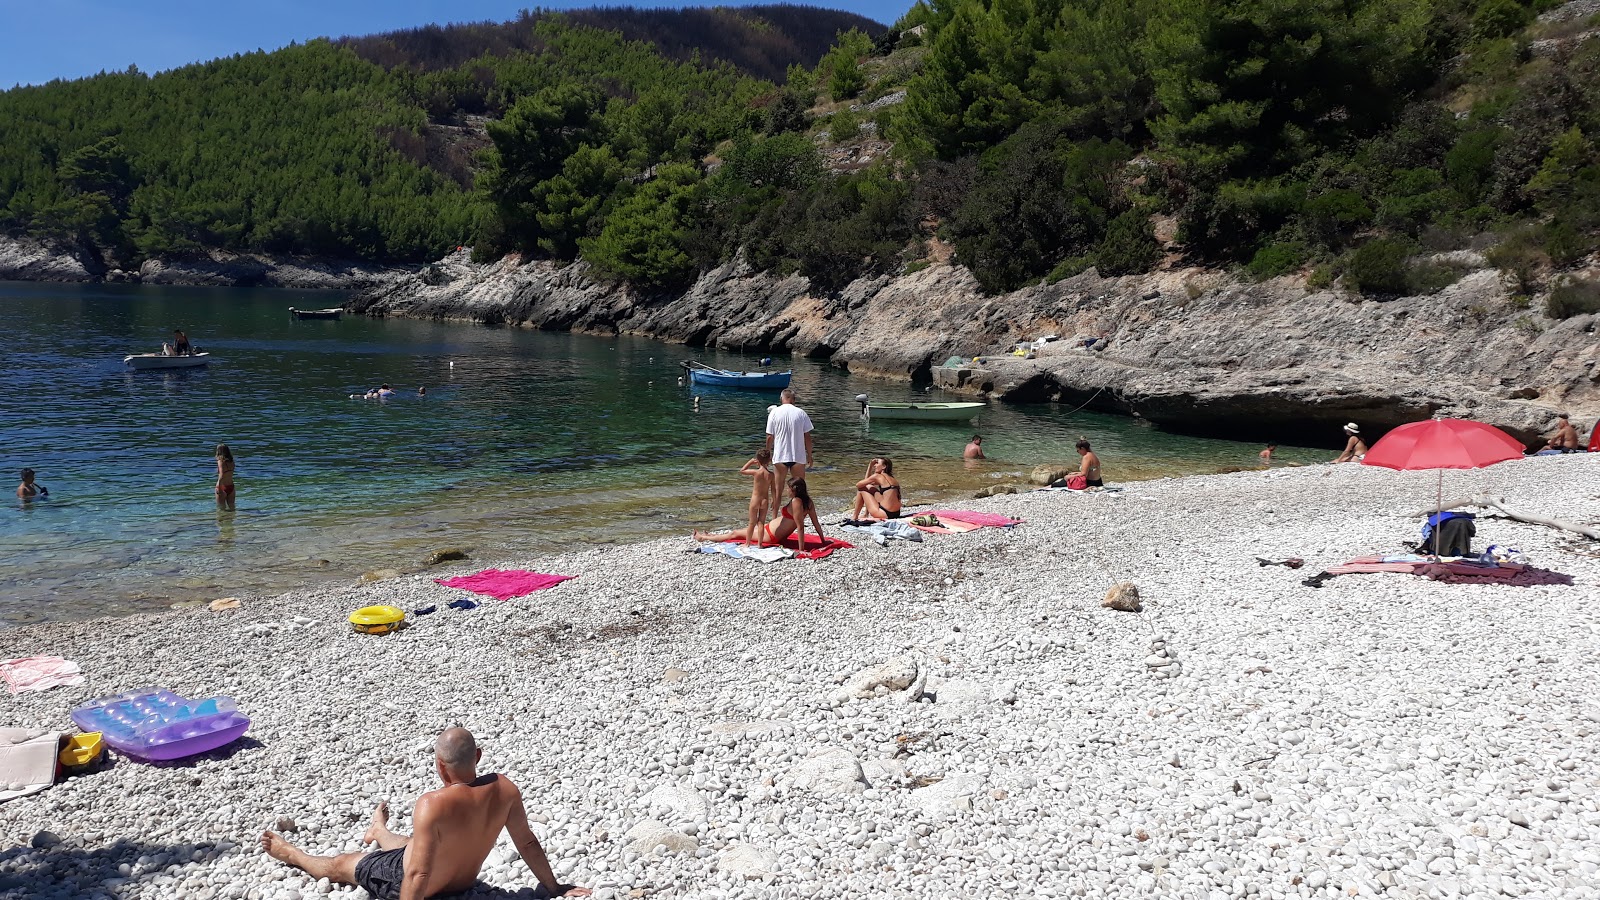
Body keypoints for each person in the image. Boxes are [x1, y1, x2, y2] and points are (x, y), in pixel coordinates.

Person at [261, 727, 589, 900]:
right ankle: (379, 831)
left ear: (439, 766)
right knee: (419, 841)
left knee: (343, 863)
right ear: (477, 755)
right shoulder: (505, 790)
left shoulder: (431, 804)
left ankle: (291, 853)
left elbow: (417, 875)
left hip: (415, 884)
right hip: (461, 882)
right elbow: (528, 843)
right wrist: (554, 887)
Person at [696, 477, 824, 550]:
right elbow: (816, 523)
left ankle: (704, 538)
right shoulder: (808, 502)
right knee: (738, 532)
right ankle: (712, 535)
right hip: (769, 529)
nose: (786, 490)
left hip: (771, 535)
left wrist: (801, 550)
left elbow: (800, 527)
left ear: (795, 490)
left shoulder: (796, 502)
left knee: (735, 533)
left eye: (788, 488)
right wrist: (823, 541)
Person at [764, 388, 813, 511]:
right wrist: (810, 455)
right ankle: (798, 517)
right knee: (799, 491)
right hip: (798, 457)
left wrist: (767, 454)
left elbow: (770, 436)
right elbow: (807, 436)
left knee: (777, 490)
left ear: (781, 399)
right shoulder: (801, 413)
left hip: (780, 456)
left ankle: (775, 519)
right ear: (794, 399)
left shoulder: (774, 413)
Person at [739, 447, 775, 546]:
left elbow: (742, 470)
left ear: (758, 460)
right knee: (761, 523)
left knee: (751, 523)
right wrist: (774, 499)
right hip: (764, 500)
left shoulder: (756, 473)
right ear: (769, 460)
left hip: (755, 500)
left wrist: (750, 462)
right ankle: (760, 544)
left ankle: (747, 543)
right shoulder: (771, 475)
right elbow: (773, 489)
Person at [215, 444, 236, 511]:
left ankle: (222, 521)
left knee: (221, 510)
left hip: (222, 486)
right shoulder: (232, 461)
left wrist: (220, 489)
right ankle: (230, 520)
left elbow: (222, 475)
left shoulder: (220, 461)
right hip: (231, 486)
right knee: (232, 508)